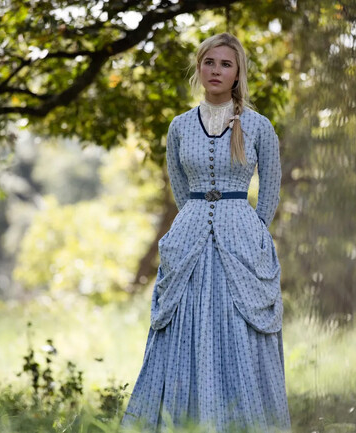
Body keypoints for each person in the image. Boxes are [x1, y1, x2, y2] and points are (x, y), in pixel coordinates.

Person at [120, 32, 290, 433]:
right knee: (186, 326)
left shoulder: (259, 126)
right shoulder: (179, 126)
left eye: (226, 64)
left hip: (242, 239)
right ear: (198, 69)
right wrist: (195, 220)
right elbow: (180, 188)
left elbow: (271, 187)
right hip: (190, 239)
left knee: (239, 329)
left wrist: (253, 229)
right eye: (209, 62)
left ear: (238, 73)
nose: (216, 70)